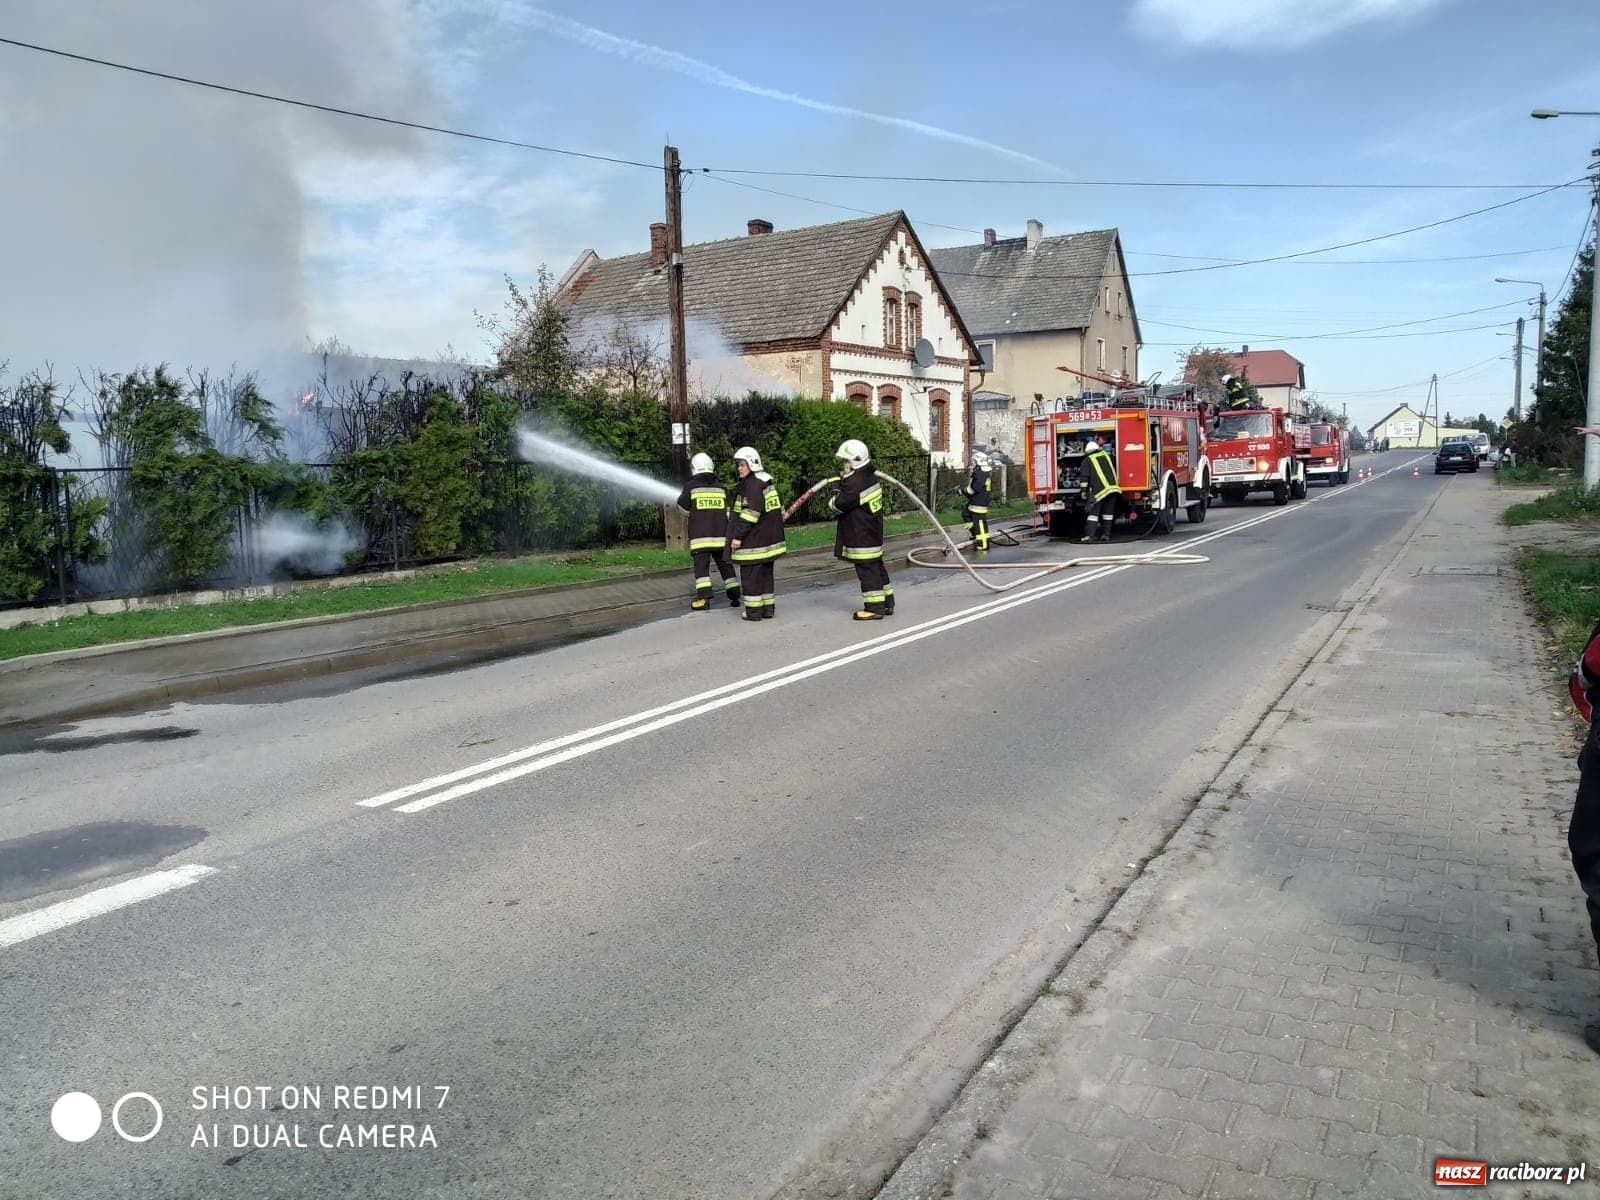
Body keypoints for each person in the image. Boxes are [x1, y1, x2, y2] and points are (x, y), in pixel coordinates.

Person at [828, 439, 893, 620]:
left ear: (855, 461)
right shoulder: (868, 477)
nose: (844, 465)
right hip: (871, 532)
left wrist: (835, 487)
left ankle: (874, 608)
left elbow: (837, 505)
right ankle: (887, 603)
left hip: (861, 535)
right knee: (877, 568)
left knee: (867, 571)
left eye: (846, 462)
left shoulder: (856, 483)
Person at [728, 445, 786, 622]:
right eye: (738, 465)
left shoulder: (752, 485)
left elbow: (750, 514)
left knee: (751, 578)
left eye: (742, 465)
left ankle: (753, 612)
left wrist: (737, 537)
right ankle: (767, 609)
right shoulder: (765, 481)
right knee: (766, 577)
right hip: (769, 541)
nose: (739, 468)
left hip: (755, 542)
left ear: (752, 464)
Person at [676, 452, 739, 611]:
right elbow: (726, 511)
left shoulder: (691, 486)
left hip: (700, 538)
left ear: (695, 468)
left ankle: (703, 599)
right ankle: (735, 594)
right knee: (726, 565)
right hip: (721, 536)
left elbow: (683, 508)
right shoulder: (720, 487)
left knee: (702, 569)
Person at [1080, 436, 1122, 543]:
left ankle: (1090, 536)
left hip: (1100, 491)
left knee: (1093, 514)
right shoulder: (1106, 455)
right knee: (1108, 514)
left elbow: (1084, 478)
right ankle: (1106, 535)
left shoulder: (1087, 460)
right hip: (1113, 489)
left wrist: (1084, 491)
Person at [961, 452, 993, 552]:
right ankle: (975, 533)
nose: (972, 464)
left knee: (980, 525)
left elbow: (974, 489)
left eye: (974, 462)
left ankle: (983, 544)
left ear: (979, 462)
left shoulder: (980, 474)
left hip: (978, 504)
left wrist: (962, 491)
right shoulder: (981, 473)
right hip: (975, 503)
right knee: (965, 514)